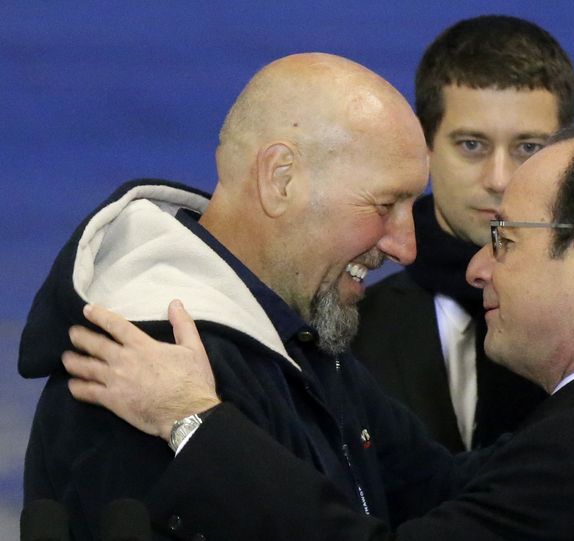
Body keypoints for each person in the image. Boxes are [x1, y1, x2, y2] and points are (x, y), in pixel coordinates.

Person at [62, 121, 574, 540]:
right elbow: (449, 481)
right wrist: (323, 360)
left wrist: (194, 419)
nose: (477, 270)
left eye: (503, 240)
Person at [19, 53, 484, 539]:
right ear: (280, 178)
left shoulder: (294, 332)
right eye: (385, 205)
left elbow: (448, 488)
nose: (406, 247)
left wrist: (570, 423)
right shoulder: (141, 365)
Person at [352, 15, 574, 452]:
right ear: (424, 145)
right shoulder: (350, 334)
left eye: (528, 148)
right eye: (471, 145)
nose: (499, 178)